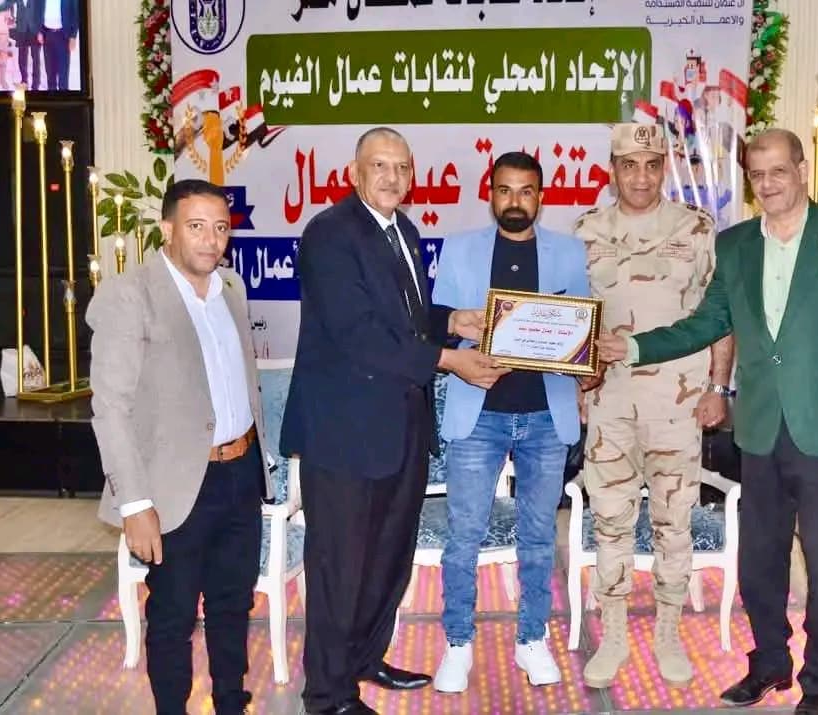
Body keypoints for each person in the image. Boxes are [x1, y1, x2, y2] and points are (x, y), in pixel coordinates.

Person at [597, 128, 818, 715]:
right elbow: (708, 322)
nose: (769, 183)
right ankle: (770, 663)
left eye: (779, 170)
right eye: (758, 174)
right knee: (758, 565)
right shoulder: (735, 244)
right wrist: (634, 348)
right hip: (759, 429)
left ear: (802, 169)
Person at [280, 127, 509, 715]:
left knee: (387, 559)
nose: (392, 177)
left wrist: (451, 320)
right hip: (345, 435)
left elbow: (404, 321)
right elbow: (358, 334)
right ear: (354, 173)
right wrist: (449, 360)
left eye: (401, 167)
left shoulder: (404, 230)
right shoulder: (330, 233)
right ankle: (328, 695)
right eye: (379, 165)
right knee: (340, 569)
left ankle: (364, 660)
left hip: (401, 428)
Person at [88, 179, 270, 715]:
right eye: (196, 227)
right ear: (167, 229)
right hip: (171, 487)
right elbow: (111, 409)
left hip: (239, 473)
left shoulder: (231, 288)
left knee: (233, 602)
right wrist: (135, 504)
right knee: (172, 615)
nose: (212, 240)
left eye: (221, 228)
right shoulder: (130, 296)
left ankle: (231, 701)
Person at [574, 122, 731, 691]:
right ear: (612, 169)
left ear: (664, 167)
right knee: (610, 521)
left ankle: (668, 633)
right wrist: (580, 389)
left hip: (678, 404)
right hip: (610, 405)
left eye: (651, 164)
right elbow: (575, 320)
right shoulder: (587, 231)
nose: (640, 177)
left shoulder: (697, 228)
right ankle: (614, 635)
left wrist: (718, 388)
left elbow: (719, 315)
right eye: (628, 165)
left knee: (673, 521)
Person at [429, 151, 589, 693]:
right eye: (505, 190)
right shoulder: (460, 249)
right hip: (479, 416)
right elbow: (437, 324)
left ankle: (531, 639)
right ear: (490, 193)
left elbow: (581, 330)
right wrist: (462, 334)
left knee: (540, 538)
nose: (514, 200)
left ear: (541, 197)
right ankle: (457, 643)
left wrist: (586, 361)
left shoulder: (569, 252)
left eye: (526, 191)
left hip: (546, 415)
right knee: (464, 538)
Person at [40, 0, 76, 90]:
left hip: (63, 36)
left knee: (63, 75)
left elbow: (75, 13)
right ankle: (52, 97)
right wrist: (39, 31)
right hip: (47, 35)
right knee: (50, 74)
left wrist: (73, 36)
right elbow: (37, 10)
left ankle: (63, 98)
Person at [10, 0, 42, 91]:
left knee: (35, 58)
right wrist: (12, 17)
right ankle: (24, 80)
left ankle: (35, 84)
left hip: (34, 30)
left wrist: (40, 30)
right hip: (21, 29)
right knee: (22, 58)